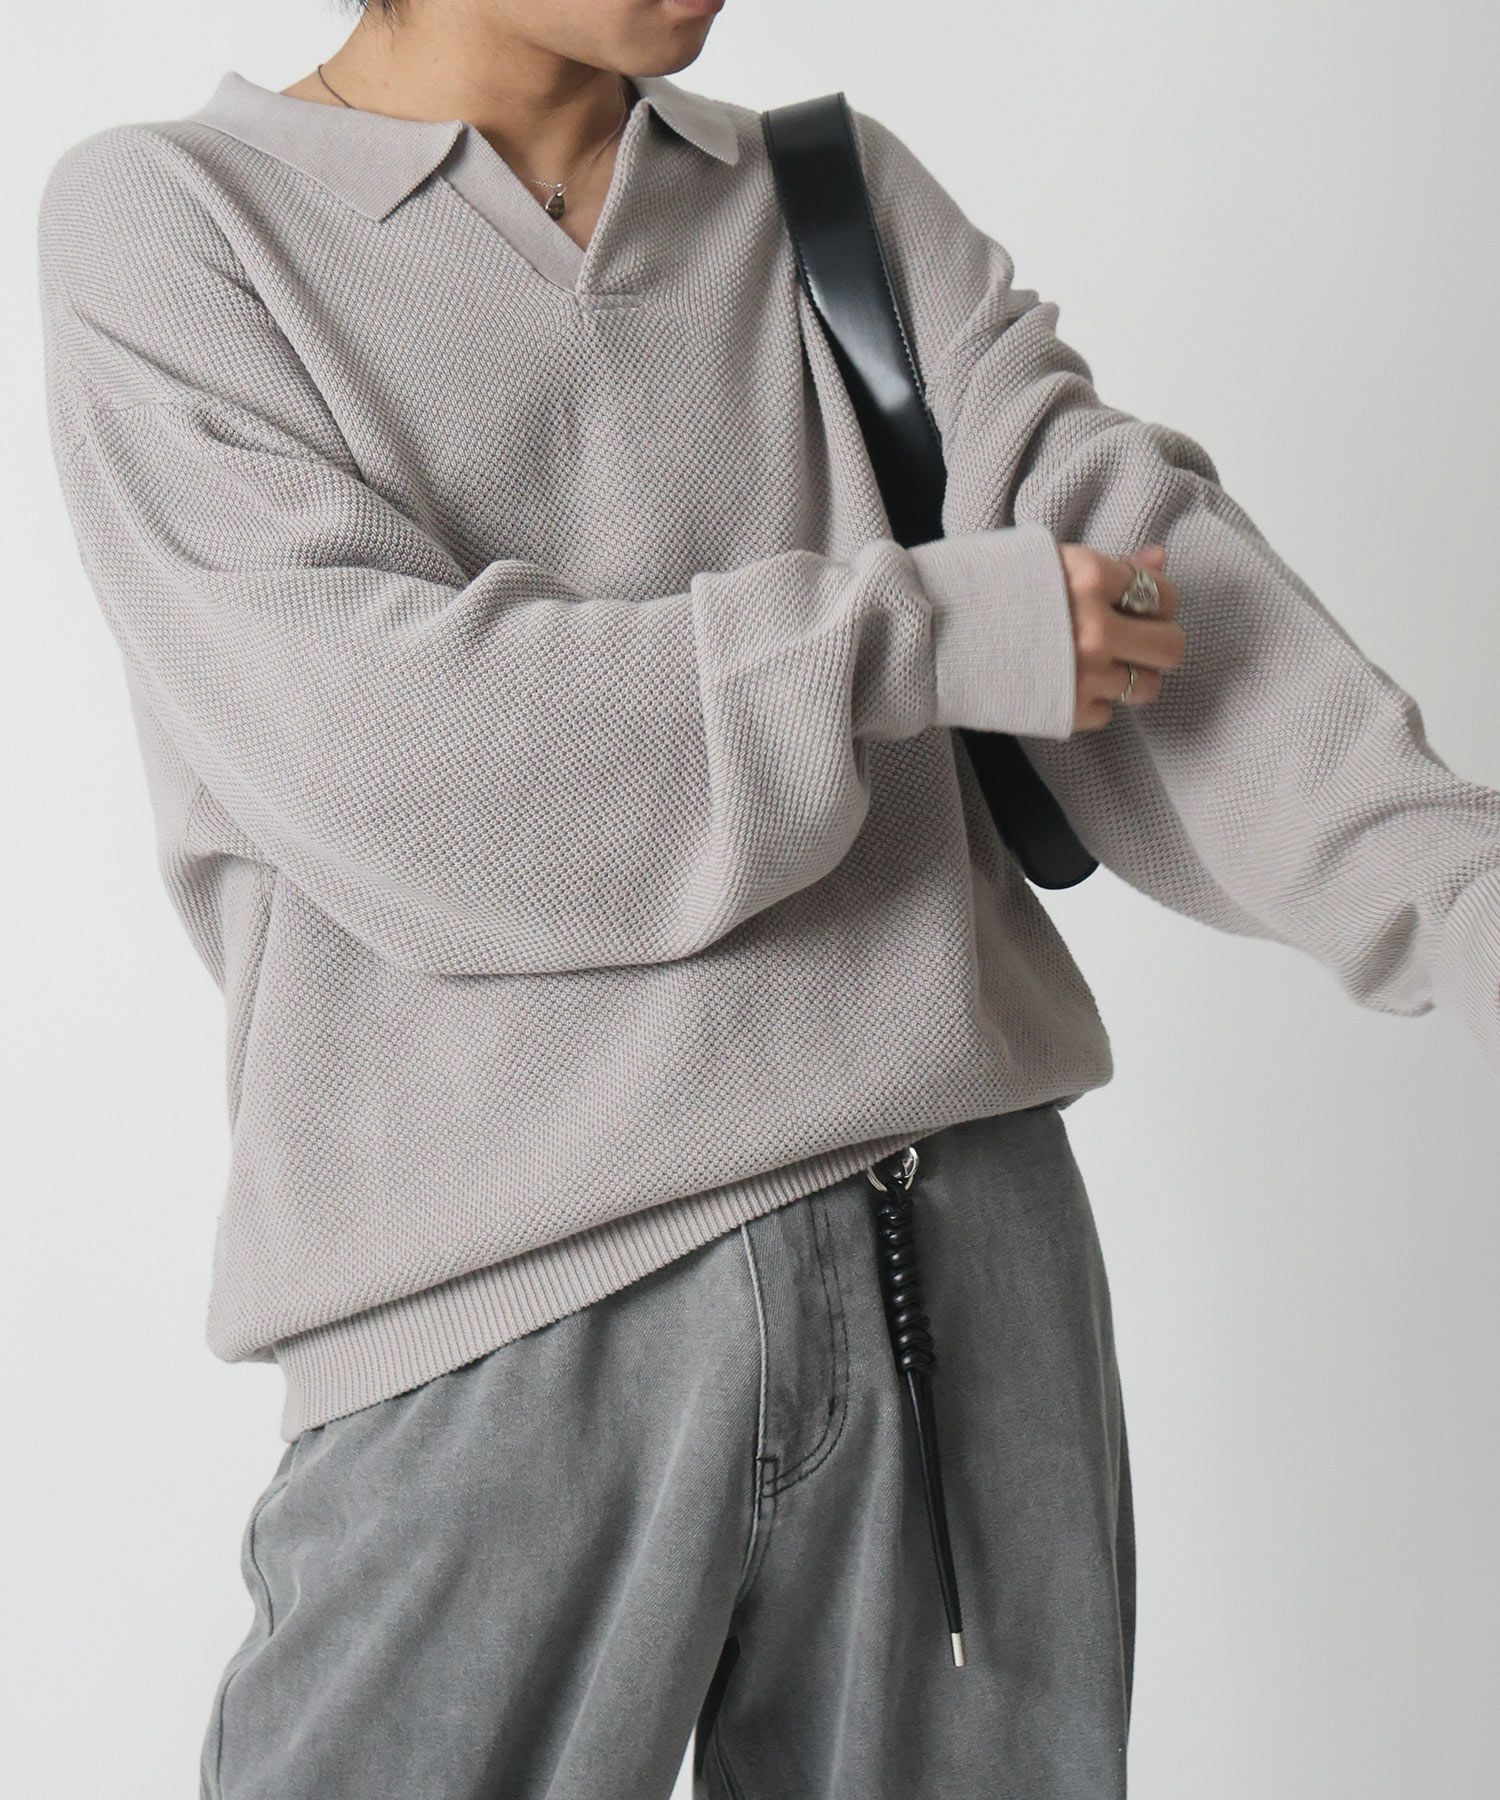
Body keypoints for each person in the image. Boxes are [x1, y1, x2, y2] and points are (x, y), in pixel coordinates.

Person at [34, 0, 1499, 1794]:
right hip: (496, 1326)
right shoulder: (178, 223)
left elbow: (1143, 592)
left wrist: (1468, 896)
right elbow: (399, 753)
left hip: (955, 1257)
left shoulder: (828, 200)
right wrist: (923, 632)